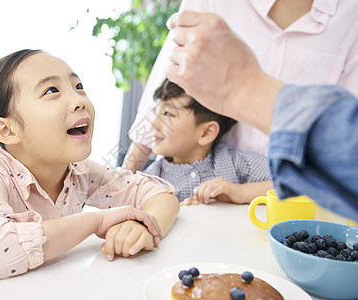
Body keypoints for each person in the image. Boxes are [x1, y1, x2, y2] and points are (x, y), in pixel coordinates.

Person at [0, 49, 180, 279]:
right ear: (7, 130)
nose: (79, 100)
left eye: (78, 86)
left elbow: (159, 193)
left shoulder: (80, 171)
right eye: (51, 90)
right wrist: (96, 221)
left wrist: (146, 228)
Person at [165, 10, 358, 221]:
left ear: (209, 131)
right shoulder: (157, 170)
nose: (158, 125)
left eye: (167, 114)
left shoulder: (236, 162)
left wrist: (245, 88)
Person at [123, 0, 358, 173]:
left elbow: (346, 135)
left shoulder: (351, 17)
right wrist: (124, 178)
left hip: (295, 199)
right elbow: (165, 89)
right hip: (211, 191)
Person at [144, 78, 272, 204]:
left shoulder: (236, 163)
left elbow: (289, 185)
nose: (153, 124)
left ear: (207, 133)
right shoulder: (151, 181)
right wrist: (172, 214)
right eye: (156, 112)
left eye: (167, 114)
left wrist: (240, 192)